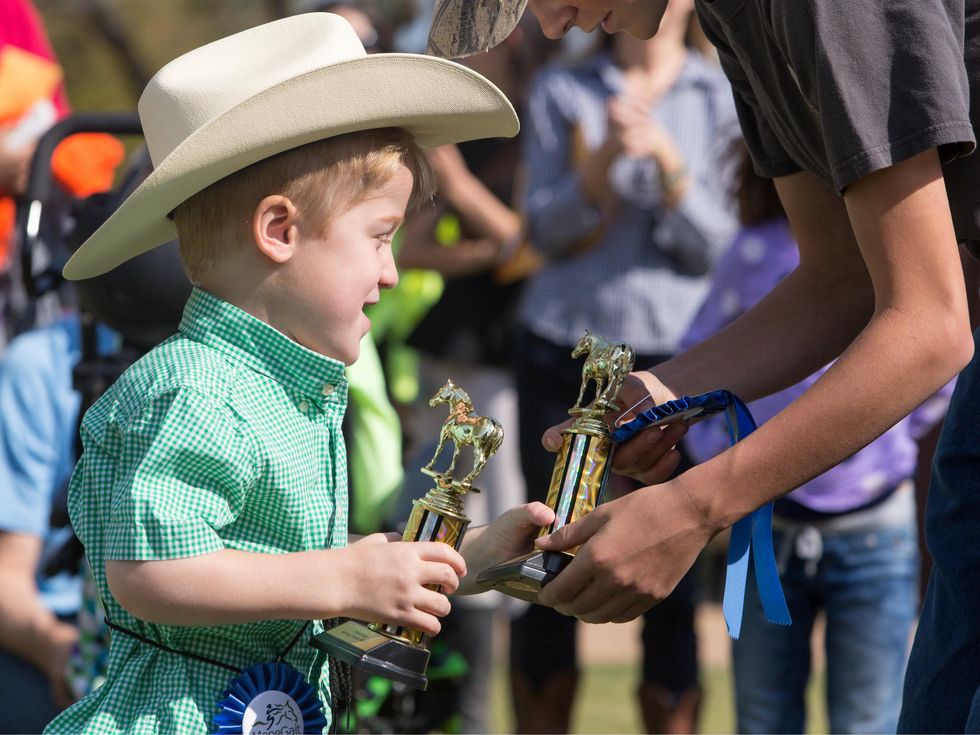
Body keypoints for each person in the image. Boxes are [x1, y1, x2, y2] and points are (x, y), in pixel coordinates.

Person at [427, 1, 980, 731]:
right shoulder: (736, 15)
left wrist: (693, 507)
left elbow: (931, 325)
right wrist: (664, 390)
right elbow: (840, 278)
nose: (551, 27)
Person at [43, 14, 554, 734]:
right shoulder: (198, 389)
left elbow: (290, 566)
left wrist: (462, 558)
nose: (391, 272)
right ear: (279, 231)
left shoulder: (286, 393)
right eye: (379, 237)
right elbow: (148, 572)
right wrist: (342, 578)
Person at [507, 3, 736, 730]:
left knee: (671, 559)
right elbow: (542, 231)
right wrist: (601, 164)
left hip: (678, 358)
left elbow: (719, 246)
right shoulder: (562, 89)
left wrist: (669, 166)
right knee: (545, 550)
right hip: (564, 350)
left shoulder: (724, 94)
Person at [682, 143, 954, 734]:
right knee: (762, 715)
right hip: (767, 528)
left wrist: (887, 442)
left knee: (870, 719)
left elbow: (938, 370)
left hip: (875, 529)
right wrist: (715, 458)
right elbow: (699, 355)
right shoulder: (751, 251)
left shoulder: (891, 250)